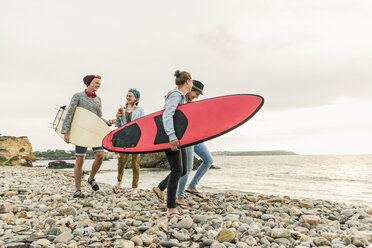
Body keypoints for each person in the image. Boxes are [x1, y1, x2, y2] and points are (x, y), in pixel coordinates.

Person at [61, 75, 116, 198]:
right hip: (81, 132)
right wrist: (66, 131)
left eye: (99, 83)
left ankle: (91, 178)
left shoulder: (98, 100)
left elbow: (98, 118)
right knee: (80, 160)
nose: (98, 85)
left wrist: (107, 122)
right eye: (96, 83)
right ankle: (78, 189)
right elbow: (70, 113)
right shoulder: (78, 96)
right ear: (89, 83)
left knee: (101, 156)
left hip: (95, 132)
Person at [152, 70, 193, 218]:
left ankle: (160, 187)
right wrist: (171, 136)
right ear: (187, 82)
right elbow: (167, 114)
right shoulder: (175, 95)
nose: (192, 84)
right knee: (177, 170)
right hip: (170, 136)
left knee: (181, 170)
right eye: (192, 81)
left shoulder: (179, 96)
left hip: (176, 136)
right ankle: (171, 208)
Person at [175, 80, 214, 209]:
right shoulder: (179, 101)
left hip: (195, 137)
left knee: (208, 160)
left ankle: (192, 186)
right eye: (196, 93)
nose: (197, 97)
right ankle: (180, 197)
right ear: (190, 89)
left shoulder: (192, 105)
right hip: (186, 138)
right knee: (187, 167)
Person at [112, 88, 145, 199]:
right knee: (121, 162)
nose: (128, 97)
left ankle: (134, 189)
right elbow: (118, 126)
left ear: (136, 98)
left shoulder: (140, 110)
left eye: (130, 95)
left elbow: (143, 125)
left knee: (135, 164)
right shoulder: (122, 109)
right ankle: (119, 183)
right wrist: (117, 118)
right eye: (127, 95)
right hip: (123, 139)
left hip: (135, 140)